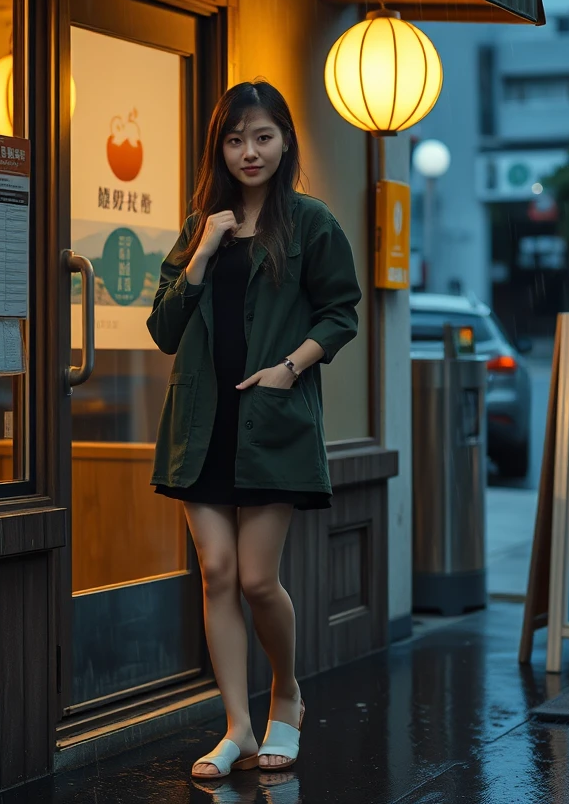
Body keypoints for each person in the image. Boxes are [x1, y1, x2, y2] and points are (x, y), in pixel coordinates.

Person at [147, 80, 361, 780]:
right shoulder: (199, 225)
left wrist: (290, 368)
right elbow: (164, 329)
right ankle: (237, 726)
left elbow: (340, 312)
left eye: (262, 136)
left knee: (259, 578)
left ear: (285, 141)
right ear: (221, 147)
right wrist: (203, 254)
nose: (249, 151)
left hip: (271, 421)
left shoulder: (311, 222)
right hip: (202, 422)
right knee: (216, 573)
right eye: (236, 139)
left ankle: (287, 699)